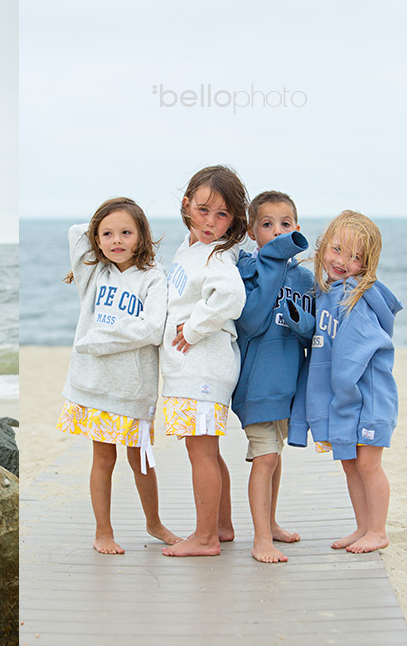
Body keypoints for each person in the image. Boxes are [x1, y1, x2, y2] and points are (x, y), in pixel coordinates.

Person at [56, 197, 179, 555]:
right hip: (93, 386)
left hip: (133, 389)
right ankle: (103, 531)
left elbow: (152, 329)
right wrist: (102, 224)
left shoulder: (154, 278)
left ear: (143, 236)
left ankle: (154, 523)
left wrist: (98, 339)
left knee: (140, 458)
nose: (116, 240)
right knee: (103, 459)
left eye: (126, 232)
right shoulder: (94, 273)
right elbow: (75, 233)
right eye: (107, 234)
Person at [289, 211, 402, 553]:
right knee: (350, 463)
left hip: (367, 398)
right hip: (347, 399)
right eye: (337, 250)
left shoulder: (357, 297)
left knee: (368, 464)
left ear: (367, 264)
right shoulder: (327, 294)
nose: (342, 262)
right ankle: (362, 526)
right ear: (324, 246)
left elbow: (351, 357)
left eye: (355, 257)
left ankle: (378, 531)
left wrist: (340, 399)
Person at [160, 165, 248, 557]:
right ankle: (222, 527)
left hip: (203, 369)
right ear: (186, 205)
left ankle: (206, 537)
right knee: (207, 451)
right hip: (193, 371)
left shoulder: (216, 257)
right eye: (203, 210)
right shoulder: (191, 248)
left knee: (201, 453)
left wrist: (193, 329)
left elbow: (230, 297)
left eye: (222, 214)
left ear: (234, 219)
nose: (211, 222)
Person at [232, 191, 315, 563]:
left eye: (285, 225)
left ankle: (272, 523)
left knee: (275, 457)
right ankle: (260, 538)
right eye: (267, 225)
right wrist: (271, 267)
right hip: (256, 385)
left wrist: (301, 319)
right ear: (253, 231)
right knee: (264, 458)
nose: (277, 231)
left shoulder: (305, 278)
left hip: (287, 385)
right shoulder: (247, 270)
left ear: (297, 229)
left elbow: (311, 332)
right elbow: (248, 321)